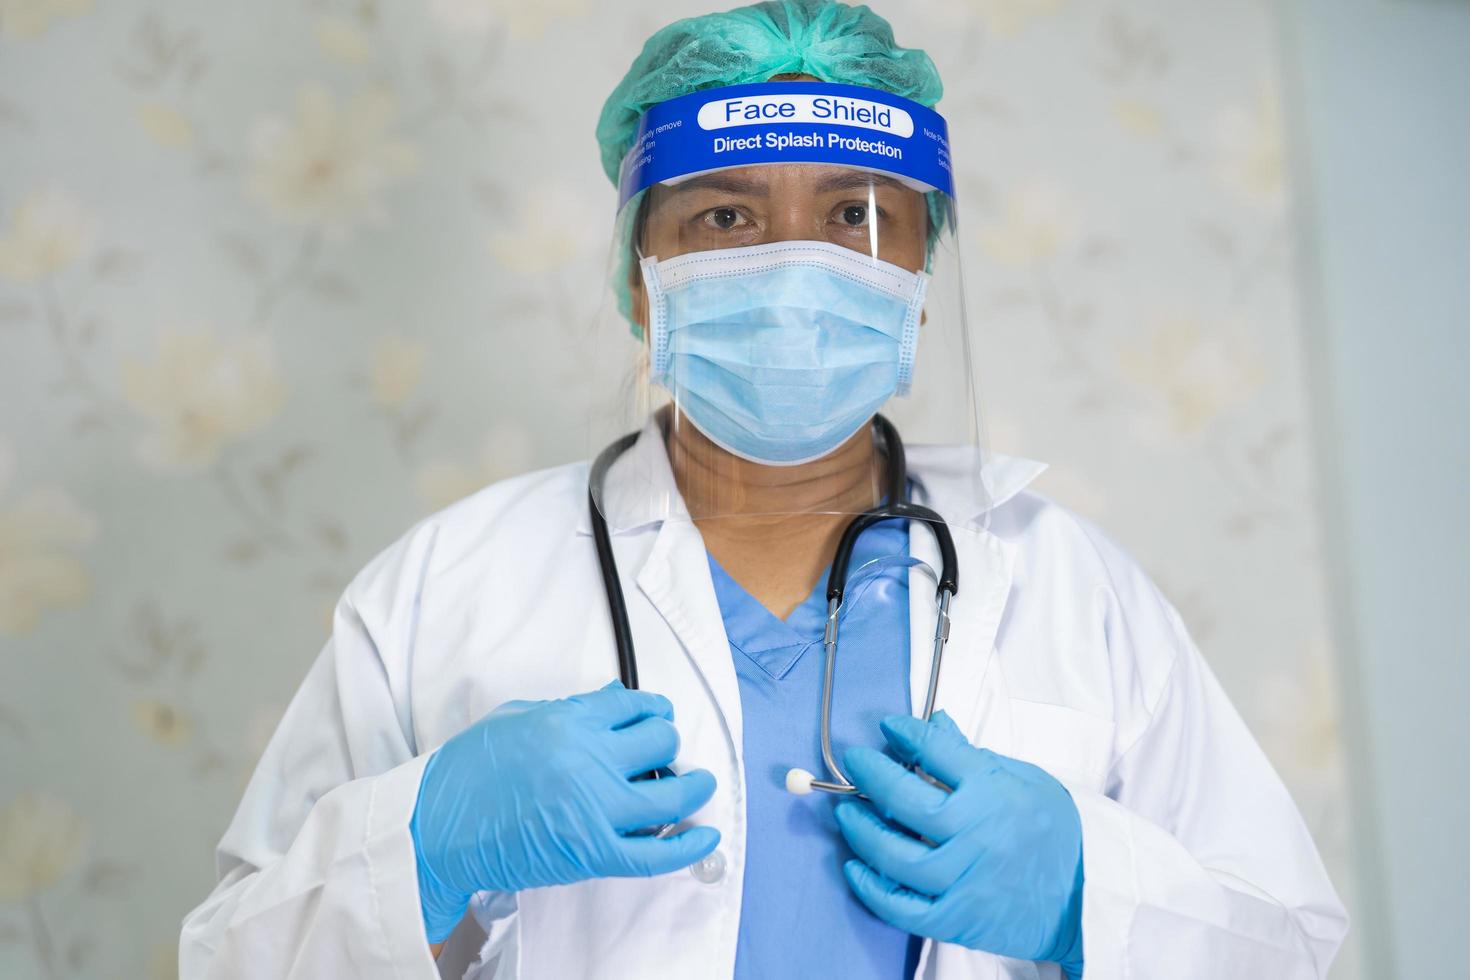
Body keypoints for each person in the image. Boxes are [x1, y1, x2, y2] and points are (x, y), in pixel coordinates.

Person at [179, 3, 1348, 978]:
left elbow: (1293, 947)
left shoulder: (1072, 587)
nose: (797, 264)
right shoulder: (447, 588)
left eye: (853, 215)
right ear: (644, 282)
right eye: (728, 215)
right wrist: (419, 850)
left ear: (918, 276)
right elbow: (231, 955)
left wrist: (1092, 894)